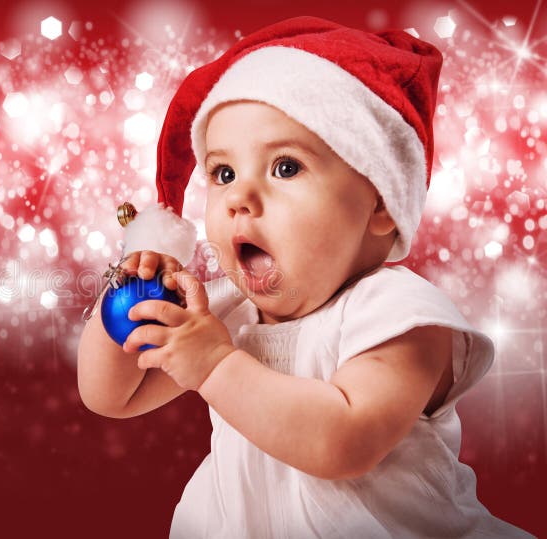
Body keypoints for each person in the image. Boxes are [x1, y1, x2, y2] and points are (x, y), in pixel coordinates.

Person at [77, 16, 534, 538]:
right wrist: (126, 291)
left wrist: (215, 366)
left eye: (285, 167)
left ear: (380, 205)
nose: (240, 199)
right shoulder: (223, 313)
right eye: (223, 174)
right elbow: (113, 396)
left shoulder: (401, 318)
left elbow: (344, 442)